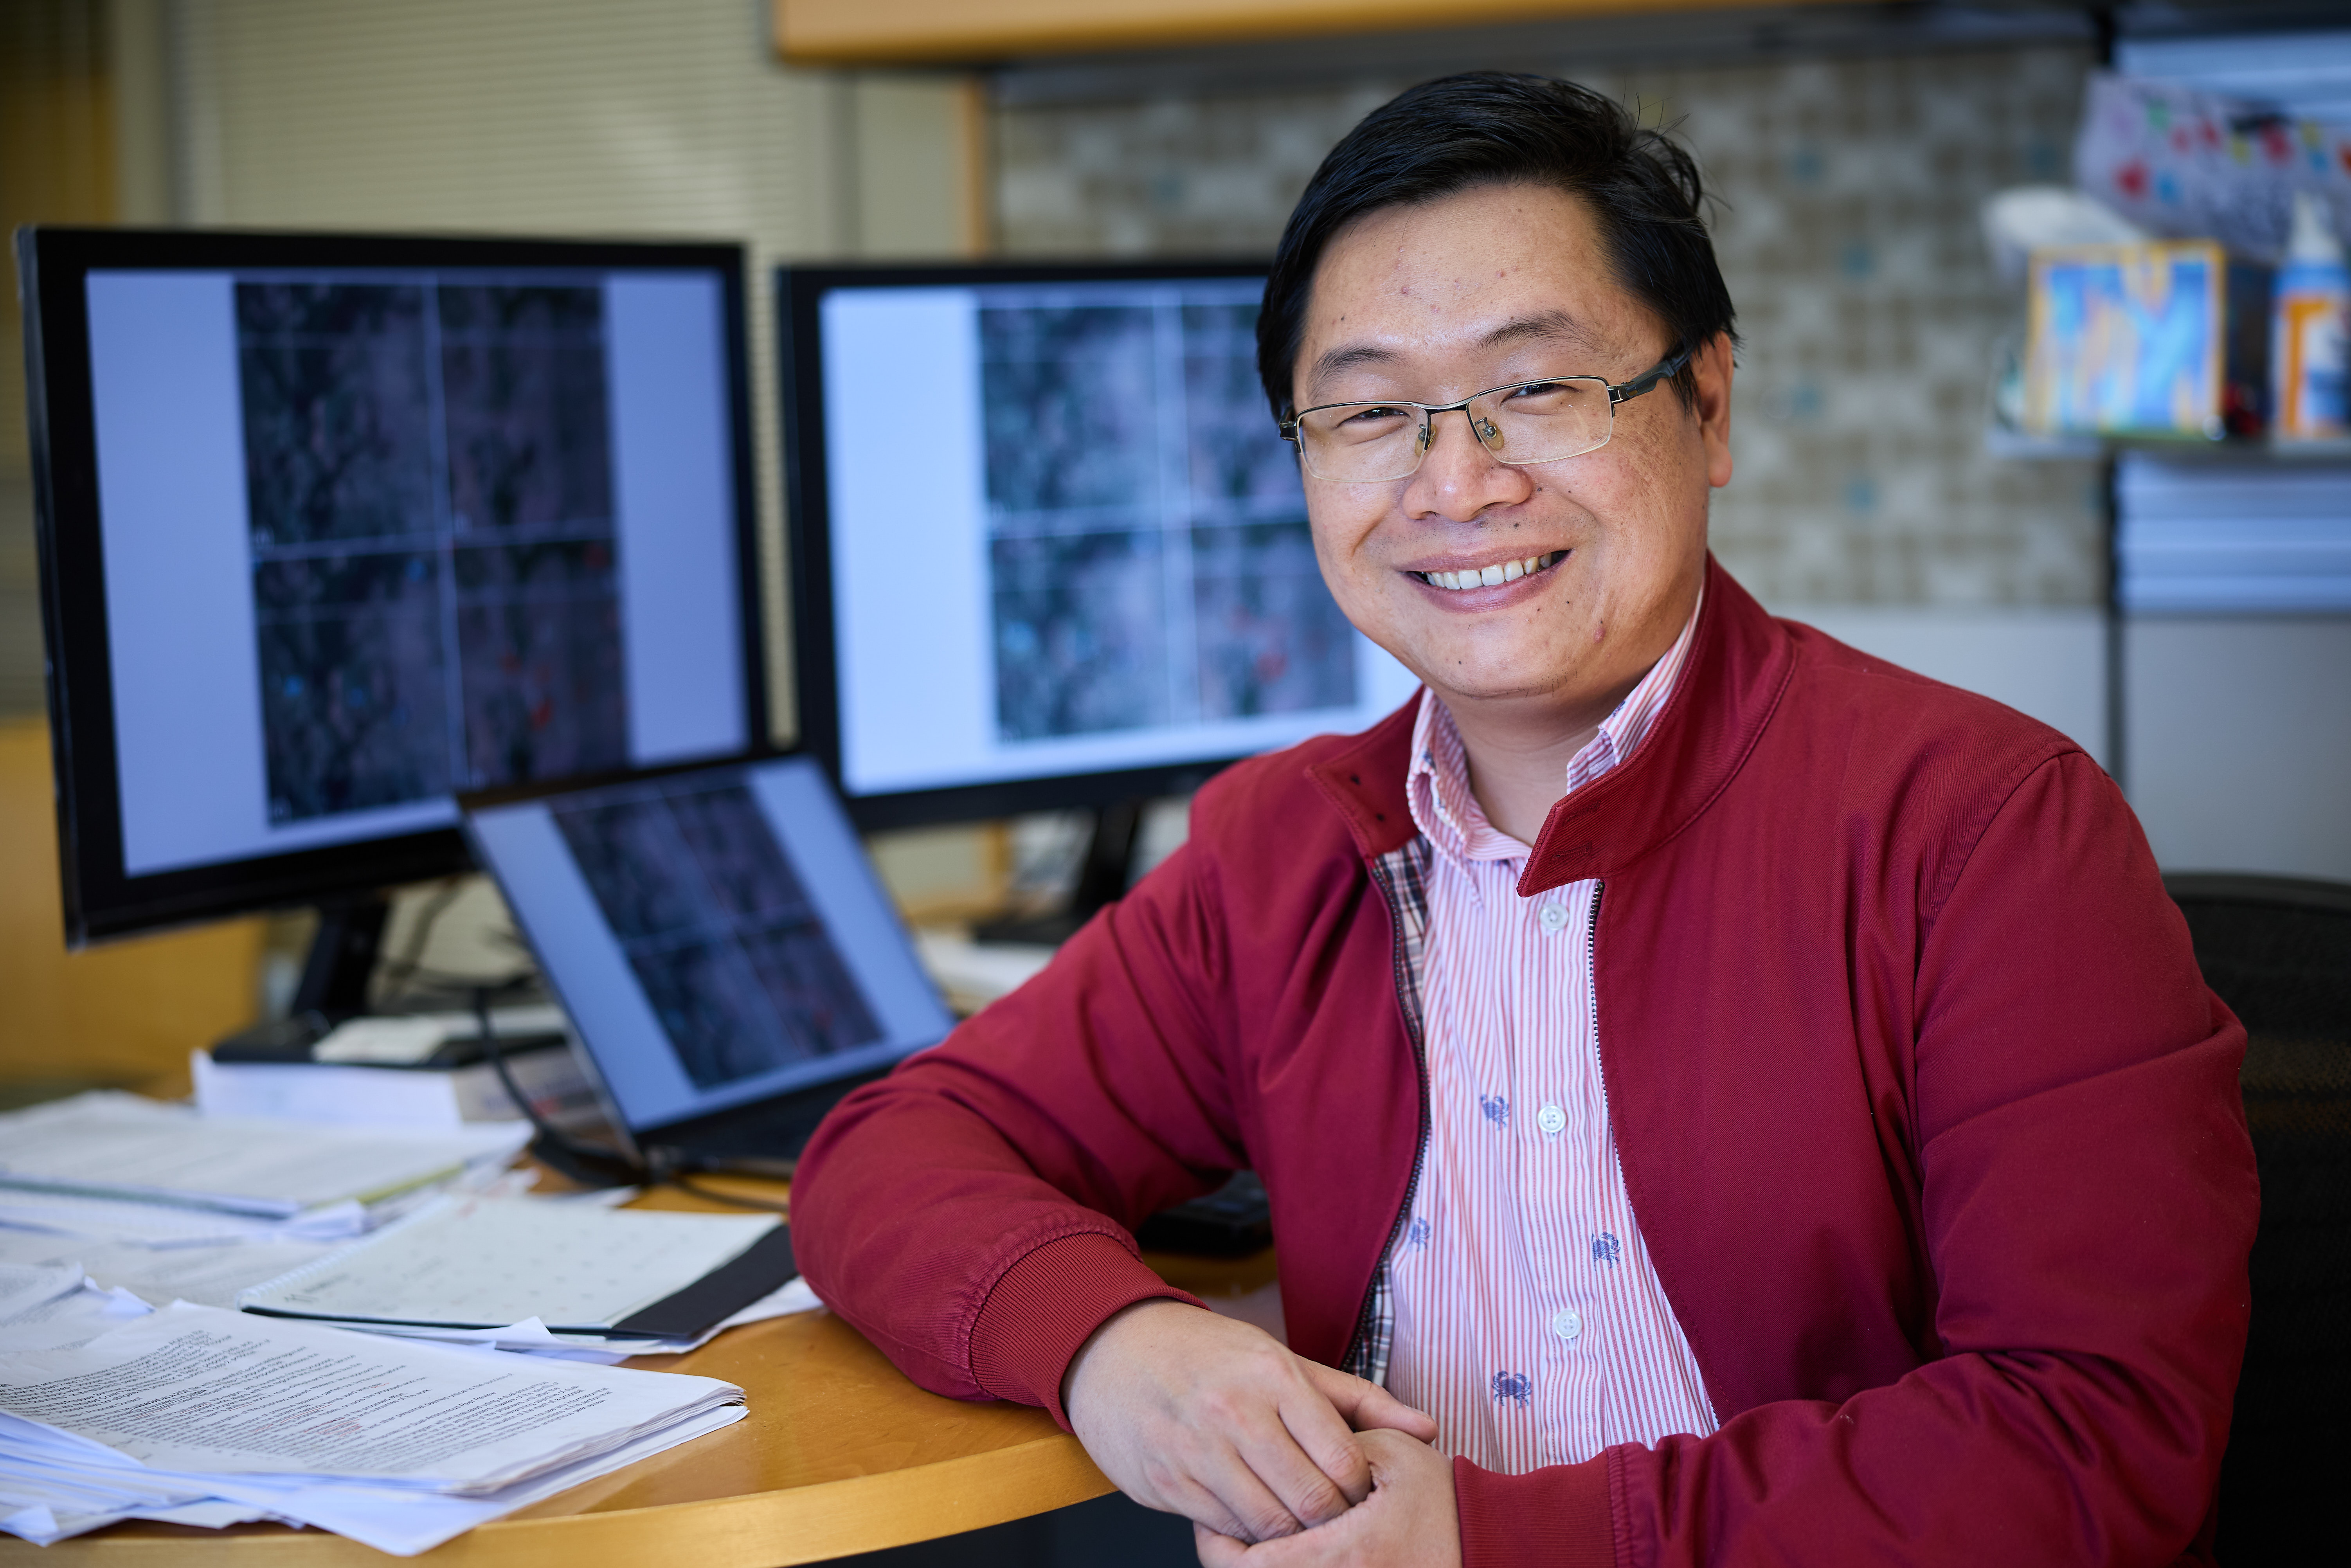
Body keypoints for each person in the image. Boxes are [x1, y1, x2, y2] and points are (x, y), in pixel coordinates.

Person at [793, 72, 2257, 1566]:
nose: (1456, 482)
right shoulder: (1288, 850)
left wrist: (1494, 1540)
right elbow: (894, 1150)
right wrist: (1112, 1346)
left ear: (1707, 403)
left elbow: (2095, 1437)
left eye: (1538, 390)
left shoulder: (1987, 834)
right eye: (1368, 413)